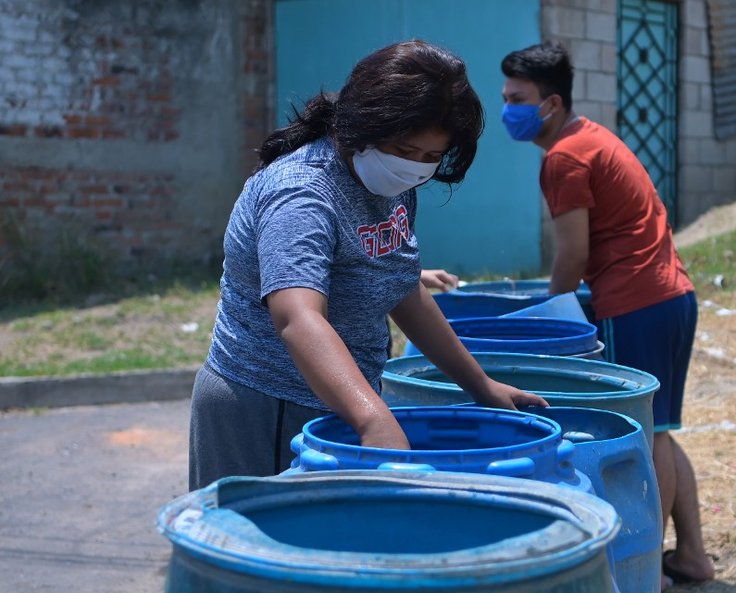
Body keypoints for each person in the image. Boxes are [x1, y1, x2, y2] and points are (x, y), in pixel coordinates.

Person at [189, 40, 547, 492]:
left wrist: (479, 385)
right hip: (269, 405)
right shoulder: (302, 194)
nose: (415, 167)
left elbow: (398, 285)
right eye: (406, 149)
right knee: (259, 553)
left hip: (340, 400)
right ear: (364, 124)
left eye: (431, 157)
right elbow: (297, 318)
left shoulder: (390, 180)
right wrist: (373, 417)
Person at [500, 42, 714, 589]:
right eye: (504, 96)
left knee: (647, 438)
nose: (507, 108)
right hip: (672, 295)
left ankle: (647, 571)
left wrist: (551, 316)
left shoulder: (566, 157)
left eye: (517, 98)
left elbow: (572, 252)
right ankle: (691, 557)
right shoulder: (591, 136)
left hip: (635, 303)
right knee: (661, 427)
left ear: (549, 103)